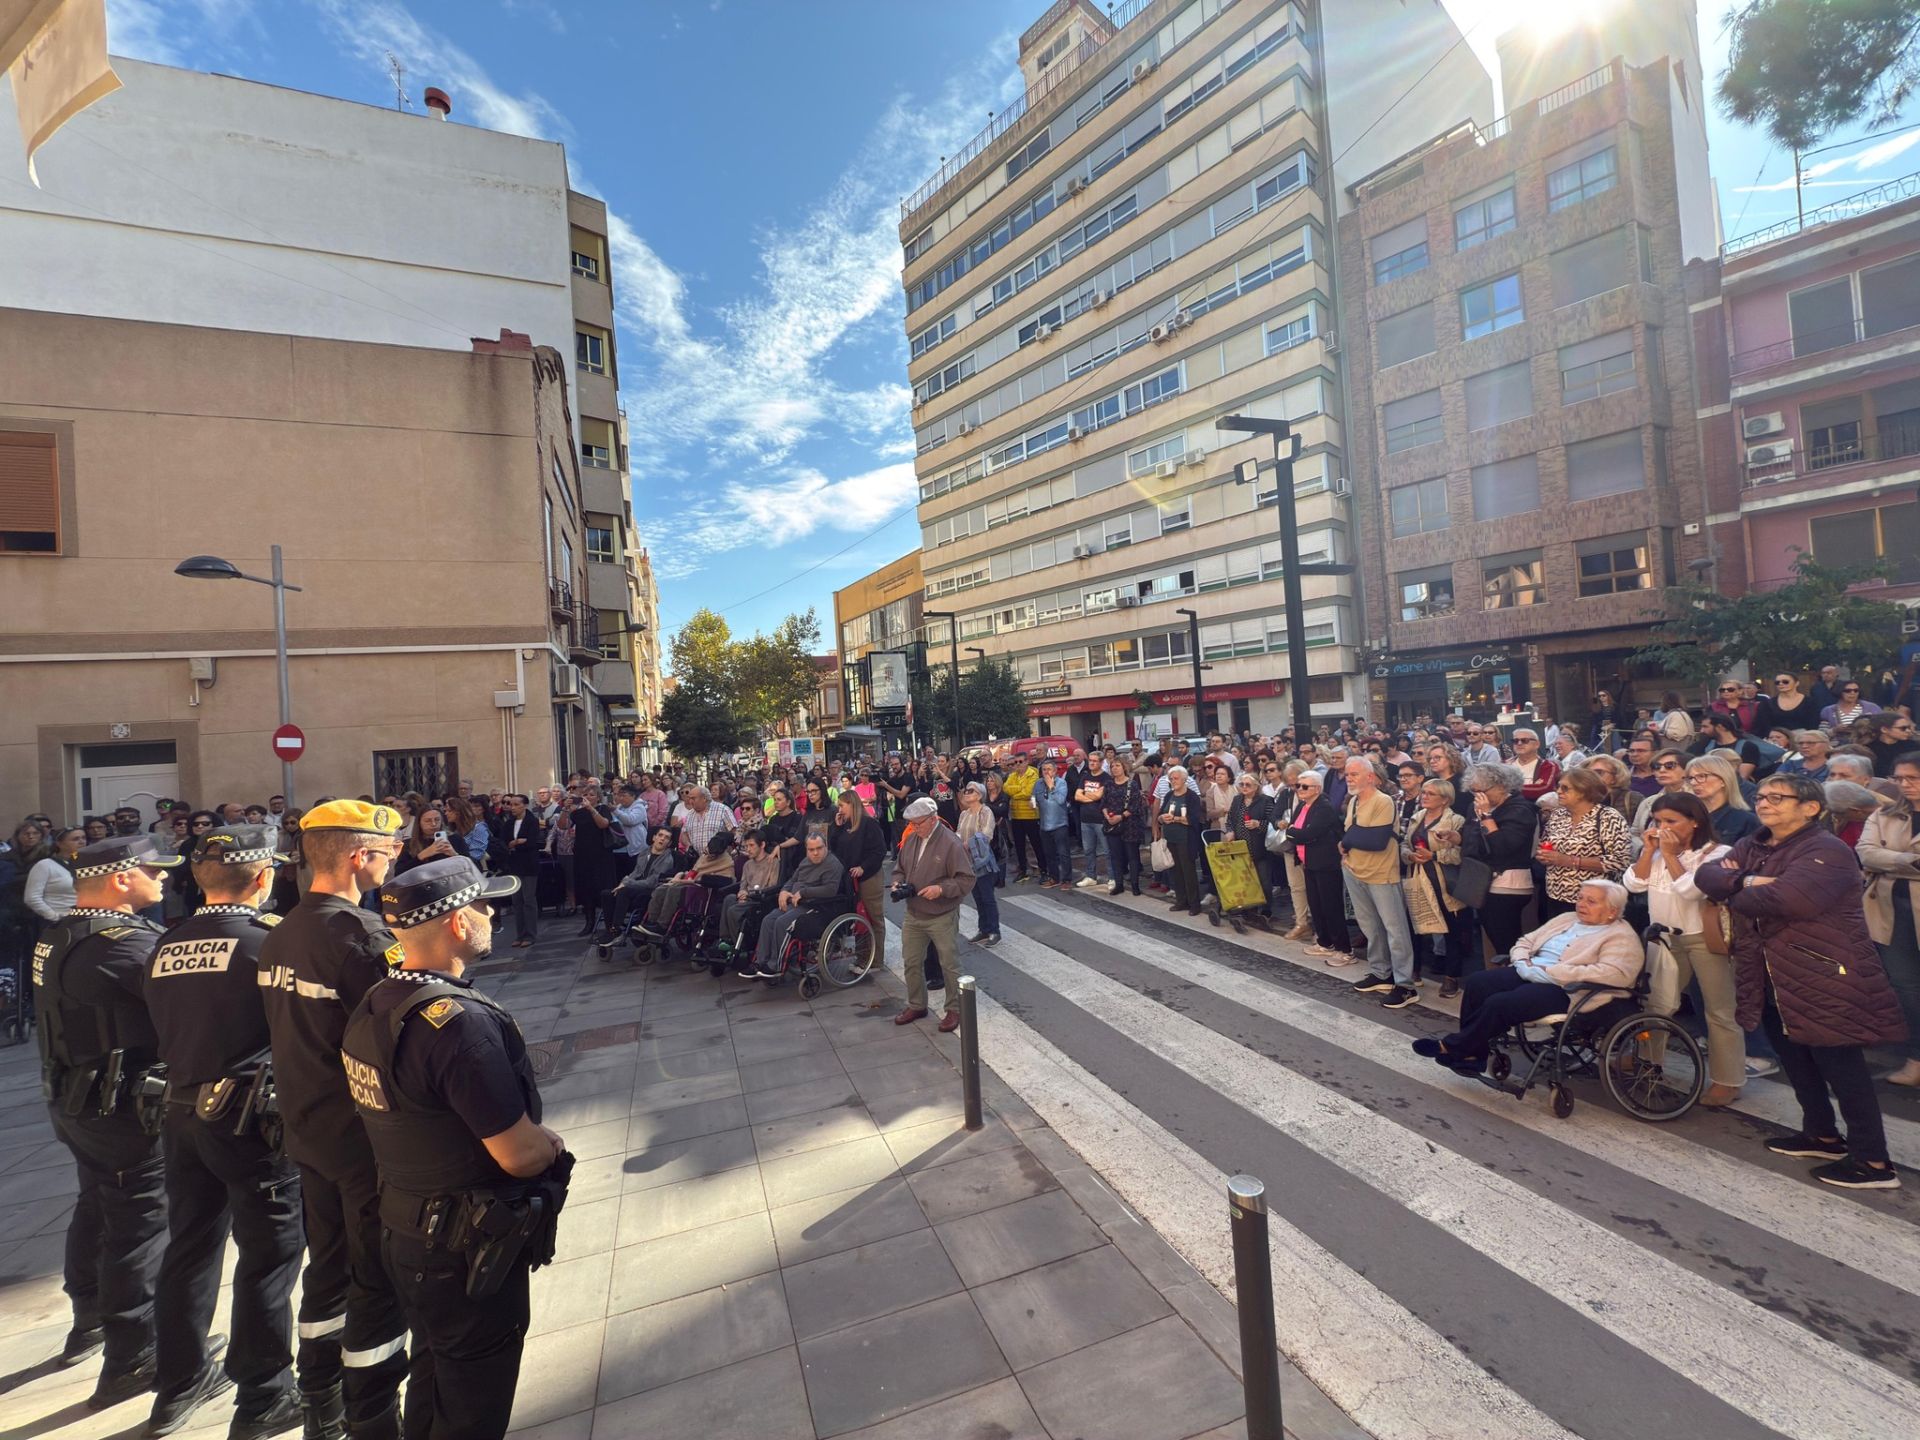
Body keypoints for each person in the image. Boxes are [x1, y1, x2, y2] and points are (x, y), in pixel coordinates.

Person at [342, 858, 568, 1440]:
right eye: (484, 905)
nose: (493, 913)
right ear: (457, 923)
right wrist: (548, 1144)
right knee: (472, 1408)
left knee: (436, 1376)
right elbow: (517, 1154)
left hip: (409, 1231)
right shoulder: (456, 1024)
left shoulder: (376, 1005)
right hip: (463, 1248)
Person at [144, 824, 307, 1439]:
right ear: (264, 878)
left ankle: (177, 1387)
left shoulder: (165, 942)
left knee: (188, 1248)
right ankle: (264, 1396)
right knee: (268, 1255)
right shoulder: (270, 941)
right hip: (249, 1122)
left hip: (182, 1113)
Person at [257, 801, 410, 1440]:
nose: (391, 860)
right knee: (376, 1274)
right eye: (387, 851)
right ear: (358, 856)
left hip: (306, 1125)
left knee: (328, 1264)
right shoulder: (361, 937)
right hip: (358, 1133)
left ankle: (318, 1396)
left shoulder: (283, 929)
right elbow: (398, 1036)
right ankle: (371, 1414)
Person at [1695, 773, 1905, 1190]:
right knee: (1796, 1059)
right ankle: (1822, 1135)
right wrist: (1747, 881)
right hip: (1771, 970)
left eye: (1779, 797)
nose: (1765, 803)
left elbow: (1790, 899)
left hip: (1822, 970)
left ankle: (1873, 1161)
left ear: (1811, 807)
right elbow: (1707, 876)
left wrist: (1734, 888)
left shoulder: (1826, 849)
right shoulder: (1755, 843)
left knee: (1842, 1067)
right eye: (1763, 796)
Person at [33, 834, 176, 1409]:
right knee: (140, 1224)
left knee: (96, 1204)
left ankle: (88, 1317)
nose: (164, 878)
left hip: (75, 1099)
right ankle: (132, 1354)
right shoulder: (121, 945)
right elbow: (185, 998)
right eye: (153, 870)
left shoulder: (63, 931)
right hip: (118, 1108)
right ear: (121, 878)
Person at [1413, 880, 1642, 1072]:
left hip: (1568, 989)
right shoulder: (1567, 919)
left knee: (1501, 1003)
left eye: (1591, 901)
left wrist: (1553, 972)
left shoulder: (1620, 935)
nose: (1581, 904)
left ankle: (1453, 1046)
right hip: (1530, 970)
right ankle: (1474, 1055)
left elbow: (1616, 974)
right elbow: (1527, 941)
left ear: (1612, 911)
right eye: (1580, 898)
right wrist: (1522, 961)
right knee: (1478, 983)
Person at [1622, 793, 1741, 1106]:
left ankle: (1727, 1080)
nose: (1663, 828)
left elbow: (1692, 891)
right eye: (1658, 821)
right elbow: (1633, 885)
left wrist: (1672, 855)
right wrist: (1649, 851)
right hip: (1664, 937)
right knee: (1657, 1003)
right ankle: (1648, 1062)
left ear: (1695, 822)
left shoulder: (1717, 853)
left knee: (1719, 1010)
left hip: (1704, 937)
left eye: (1671, 821)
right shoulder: (1659, 851)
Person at [1859, 755, 1920, 1089]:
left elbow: (1878, 858)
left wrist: (1891, 863)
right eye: (1899, 778)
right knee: (1906, 988)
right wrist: (1911, 862)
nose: (1905, 784)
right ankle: (1916, 1059)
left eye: (1912, 778)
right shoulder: (1884, 814)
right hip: (1892, 911)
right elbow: (1866, 852)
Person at [893, 797, 976, 1031]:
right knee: (911, 961)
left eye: (918, 823)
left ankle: (954, 1009)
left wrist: (941, 889)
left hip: (942, 913)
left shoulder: (951, 842)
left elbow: (966, 879)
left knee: (949, 964)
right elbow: (898, 869)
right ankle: (917, 1004)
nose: (914, 827)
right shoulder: (911, 839)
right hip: (914, 911)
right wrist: (898, 883)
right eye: (912, 823)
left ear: (932, 820)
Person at [1403, 779, 1470, 998]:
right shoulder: (1417, 817)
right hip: (1417, 877)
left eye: (1431, 794)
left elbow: (1463, 854)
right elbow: (1405, 842)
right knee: (1414, 923)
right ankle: (1414, 969)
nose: (1424, 796)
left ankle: (1451, 977)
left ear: (1445, 799)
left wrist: (1435, 855)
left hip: (1444, 881)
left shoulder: (1456, 820)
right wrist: (1409, 855)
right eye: (1423, 792)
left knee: (1452, 929)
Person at [749, 833, 848, 979]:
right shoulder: (805, 862)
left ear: (825, 846)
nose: (815, 853)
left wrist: (803, 892)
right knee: (768, 920)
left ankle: (776, 964)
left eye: (819, 848)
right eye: (811, 849)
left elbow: (830, 890)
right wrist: (784, 891)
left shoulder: (833, 864)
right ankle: (760, 961)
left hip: (816, 906)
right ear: (806, 849)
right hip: (796, 903)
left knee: (782, 923)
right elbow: (792, 879)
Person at [1536, 768, 1630, 920]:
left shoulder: (1608, 817)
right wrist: (1544, 855)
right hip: (1556, 895)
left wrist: (1568, 860)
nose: (1558, 791)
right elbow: (1545, 843)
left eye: (1565, 788)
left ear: (1584, 791)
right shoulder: (1558, 814)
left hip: (1594, 900)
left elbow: (1620, 861)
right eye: (1558, 787)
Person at [1284, 771, 1348, 959]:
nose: (1300, 790)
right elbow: (1293, 830)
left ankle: (1344, 949)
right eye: (1298, 786)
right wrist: (1295, 832)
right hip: (1308, 862)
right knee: (1317, 906)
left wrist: (1295, 832)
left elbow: (1308, 834)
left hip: (1326, 864)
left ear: (1317, 789)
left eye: (1305, 786)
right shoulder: (1303, 806)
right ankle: (1325, 942)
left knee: (1331, 907)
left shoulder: (1324, 807)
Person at [593, 828, 678, 944]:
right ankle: (609, 929)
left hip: (649, 892)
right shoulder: (644, 853)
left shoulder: (667, 859)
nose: (662, 839)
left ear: (669, 844)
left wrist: (627, 884)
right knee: (607, 894)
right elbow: (635, 873)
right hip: (633, 888)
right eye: (660, 835)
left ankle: (615, 930)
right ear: (654, 837)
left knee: (624, 891)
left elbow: (651, 882)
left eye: (666, 837)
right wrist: (624, 882)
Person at [830, 790, 886, 965]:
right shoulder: (846, 825)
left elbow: (879, 851)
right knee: (858, 919)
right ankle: (862, 956)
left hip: (869, 878)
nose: (839, 809)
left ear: (852, 804)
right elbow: (835, 848)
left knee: (874, 918)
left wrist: (864, 867)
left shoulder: (869, 824)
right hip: (850, 880)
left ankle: (876, 959)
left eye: (842, 805)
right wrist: (837, 827)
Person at [718, 831, 781, 963]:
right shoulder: (747, 864)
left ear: (762, 845)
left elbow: (772, 886)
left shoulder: (773, 862)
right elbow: (743, 884)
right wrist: (742, 892)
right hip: (747, 897)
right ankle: (725, 939)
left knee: (733, 910)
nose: (748, 849)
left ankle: (740, 946)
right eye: (746, 846)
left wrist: (749, 895)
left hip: (760, 899)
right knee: (729, 898)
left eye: (752, 846)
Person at [492, 794, 544, 948]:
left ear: (524, 805)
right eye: (510, 804)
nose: (512, 807)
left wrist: (518, 843)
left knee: (528, 898)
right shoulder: (509, 823)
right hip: (514, 864)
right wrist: (515, 843)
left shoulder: (532, 821)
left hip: (528, 864)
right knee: (517, 900)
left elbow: (533, 841)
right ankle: (520, 933)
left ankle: (531, 934)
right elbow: (504, 842)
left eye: (516, 804)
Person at [958, 782, 1001, 946]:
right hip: (967, 861)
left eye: (971, 791)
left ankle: (994, 931)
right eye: (966, 791)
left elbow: (987, 834)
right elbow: (958, 831)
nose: (966, 793)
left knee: (987, 896)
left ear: (979, 795)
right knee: (977, 896)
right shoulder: (964, 814)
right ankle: (983, 929)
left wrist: (968, 843)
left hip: (982, 860)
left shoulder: (985, 811)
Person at [1157, 766, 1203, 917]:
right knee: (1175, 870)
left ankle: (1194, 903)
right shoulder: (1170, 794)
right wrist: (1162, 818)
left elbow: (1195, 818)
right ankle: (1181, 900)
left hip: (1186, 839)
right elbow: (1160, 814)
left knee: (1188, 871)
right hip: (1171, 838)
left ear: (1184, 779)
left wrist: (1176, 819)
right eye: (1171, 779)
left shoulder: (1191, 797)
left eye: (1176, 778)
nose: (1173, 781)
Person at [1685, 754, 1762, 846]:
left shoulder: (1746, 821)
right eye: (1691, 778)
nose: (1693, 783)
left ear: (1723, 780)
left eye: (1701, 776)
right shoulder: (1685, 816)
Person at [1103, 757, 1147, 897]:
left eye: (1117, 765)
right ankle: (1119, 884)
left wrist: (1120, 817)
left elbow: (1135, 805)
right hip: (1112, 825)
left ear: (1124, 767)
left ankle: (1135, 885)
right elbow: (1103, 803)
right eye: (1112, 766)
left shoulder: (1132, 784)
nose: (1114, 768)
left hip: (1129, 825)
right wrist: (1108, 817)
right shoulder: (1109, 784)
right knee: (1115, 856)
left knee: (1131, 856)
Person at [26, 825, 84, 922]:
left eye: (83, 838)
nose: (82, 842)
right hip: (59, 920)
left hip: (85, 918)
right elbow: (32, 898)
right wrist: (55, 917)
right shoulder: (45, 865)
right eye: (75, 839)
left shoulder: (89, 864)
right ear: (59, 843)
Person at [1072, 755, 1111, 887]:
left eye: (1095, 761)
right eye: (1090, 761)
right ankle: (1090, 876)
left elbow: (1099, 795)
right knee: (1088, 850)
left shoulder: (1106, 778)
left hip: (1100, 819)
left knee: (1107, 851)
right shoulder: (1085, 776)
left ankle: (1112, 878)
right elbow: (1077, 795)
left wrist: (1087, 795)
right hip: (1085, 819)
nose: (1092, 763)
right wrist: (1092, 797)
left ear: (1101, 762)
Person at [1034, 759, 1072, 888]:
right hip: (1044, 824)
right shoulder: (1038, 783)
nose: (1046, 772)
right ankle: (1054, 877)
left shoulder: (1061, 783)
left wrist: (1051, 787)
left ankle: (1066, 879)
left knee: (1063, 853)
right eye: (1044, 769)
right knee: (1049, 853)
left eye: (1049, 769)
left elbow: (1061, 800)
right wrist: (1032, 802)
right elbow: (1034, 797)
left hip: (1060, 824)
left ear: (1055, 771)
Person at [1004, 755, 1041, 882]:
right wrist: (1020, 789)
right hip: (1016, 814)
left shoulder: (1033, 774)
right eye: (1015, 762)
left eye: (1020, 761)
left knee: (1035, 843)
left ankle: (1042, 869)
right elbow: (1006, 788)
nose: (1017, 764)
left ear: (1026, 762)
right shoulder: (1012, 775)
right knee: (1019, 844)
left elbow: (1029, 792)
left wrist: (1016, 793)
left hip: (1030, 814)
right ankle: (1023, 870)